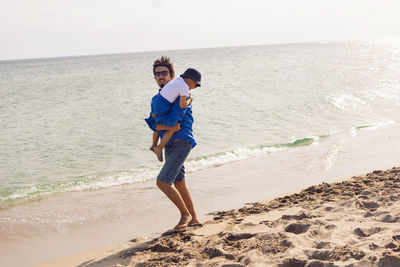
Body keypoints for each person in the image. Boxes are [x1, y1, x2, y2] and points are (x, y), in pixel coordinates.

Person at [145, 56, 202, 230]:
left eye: (164, 73)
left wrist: (157, 124)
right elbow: (157, 123)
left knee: (162, 181)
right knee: (179, 182)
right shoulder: (163, 98)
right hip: (171, 144)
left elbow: (174, 125)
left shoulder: (180, 96)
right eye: (157, 74)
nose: (160, 76)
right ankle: (194, 219)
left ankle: (185, 215)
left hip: (180, 141)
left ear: (172, 76)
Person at [145, 69, 197, 161]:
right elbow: (182, 105)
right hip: (162, 106)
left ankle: (153, 145)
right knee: (173, 125)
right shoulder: (184, 86)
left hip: (156, 100)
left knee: (158, 121)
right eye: (196, 85)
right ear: (191, 80)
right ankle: (159, 147)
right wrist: (189, 100)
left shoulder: (177, 80)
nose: (194, 87)